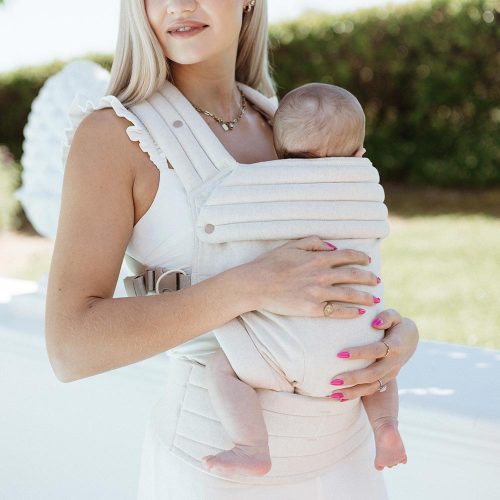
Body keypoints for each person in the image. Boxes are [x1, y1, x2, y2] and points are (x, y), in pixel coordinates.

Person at [45, 1, 419, 499]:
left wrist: (391, 338)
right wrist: (253, 285)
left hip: (348, 462)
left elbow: (339, 261)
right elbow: (70, 348)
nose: (179, 5)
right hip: (218, 472)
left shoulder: (287, 124)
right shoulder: (115, 136)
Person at [201, 82, 407, 478]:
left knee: (221, 368)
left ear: (278, 152)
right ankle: (386, 427)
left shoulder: (263, 186)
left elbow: (218, 221)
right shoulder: (366, 191)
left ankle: (251, 447)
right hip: (355, 342)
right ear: (359, 155)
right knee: (381, 367)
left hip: (283, 349)